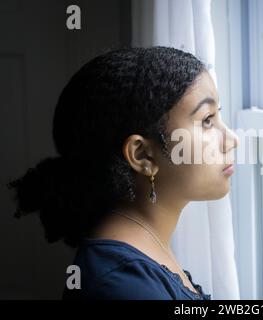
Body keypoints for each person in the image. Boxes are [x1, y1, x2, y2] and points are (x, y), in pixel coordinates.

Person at [6, 46, 239, 300]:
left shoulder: (143, 250)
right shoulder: (121, 284)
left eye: (218, 116)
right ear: (143, 155)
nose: (232, 140)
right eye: (207, 120)